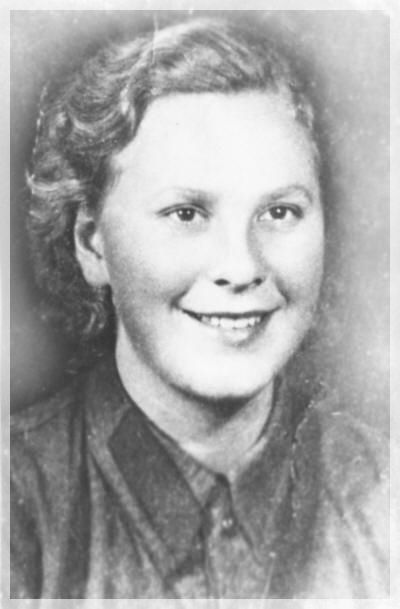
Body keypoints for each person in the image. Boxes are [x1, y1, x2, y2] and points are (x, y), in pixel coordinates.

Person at [11, 16, 389, 599]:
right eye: (186, 213)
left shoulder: (384, 493)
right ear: (91, 242)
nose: (241, 267)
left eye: (280, 212)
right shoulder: (17, 502)